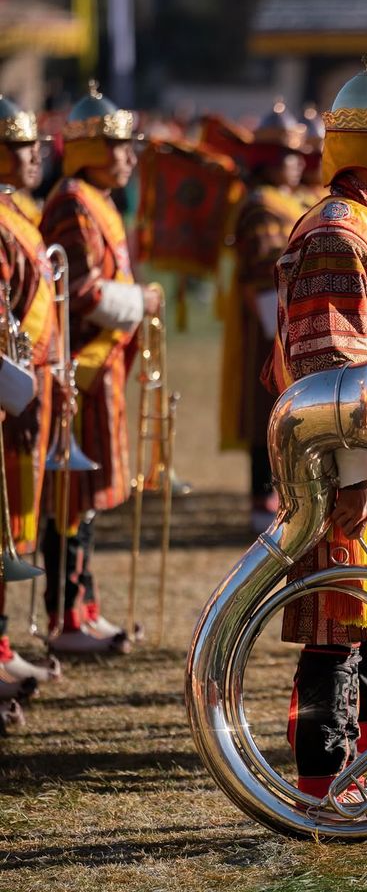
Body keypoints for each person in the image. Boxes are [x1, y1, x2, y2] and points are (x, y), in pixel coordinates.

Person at [261, 52, 367, 797]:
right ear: (364, 148)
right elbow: (334, 377)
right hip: (340, 465)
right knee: (334, 631)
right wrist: (353, 478)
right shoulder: (335, 233)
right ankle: (323, 783)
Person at [40, 82, 161, 653]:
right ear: (90, 149)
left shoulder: (99, 200)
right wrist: (142, 303)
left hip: (102, 369)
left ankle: (84, 606)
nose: (130, 157)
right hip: (77, 371)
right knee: (69, 495)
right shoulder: (70, 201)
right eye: (118, 147)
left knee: (85, 498)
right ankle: (65, 617)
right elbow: (83, 292)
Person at [219, 101, 306, 532]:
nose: (294, 164)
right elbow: (261, 277)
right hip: (267, 328)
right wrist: (282, 334)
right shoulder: (259, 206)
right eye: (286, 156)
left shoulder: (288, 200)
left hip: (290, 325)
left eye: (296, 156)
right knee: (263, 413)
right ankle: (261, 502)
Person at [0, 97, 60, 699]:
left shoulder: (19, 212)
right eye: (21, 145)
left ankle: (1, 644)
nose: (35, 154)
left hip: (23, 387)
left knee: (8, 527)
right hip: (9, 390)